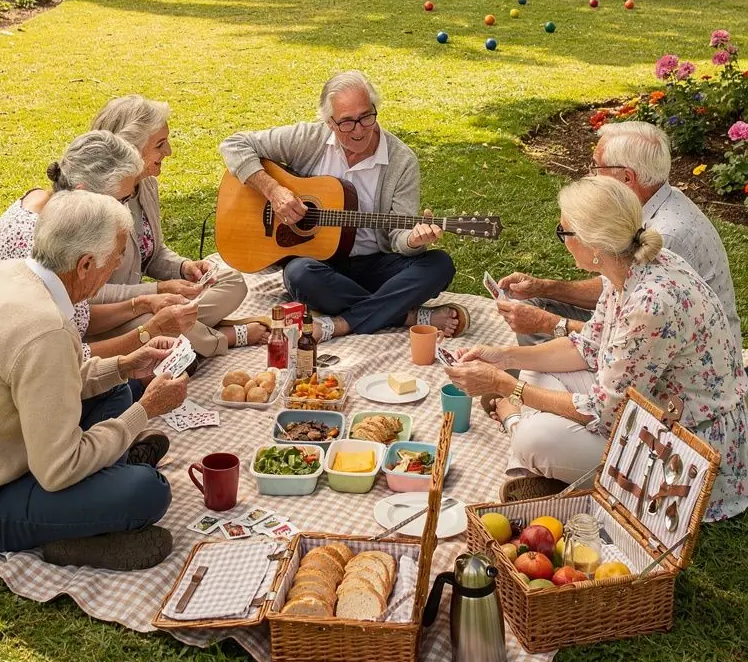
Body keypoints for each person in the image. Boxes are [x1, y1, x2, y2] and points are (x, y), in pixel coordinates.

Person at [449, 176, 748, 515]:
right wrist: (502, 358)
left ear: (593, 245)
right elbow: (586, 347)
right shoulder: (626, 269)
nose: (562, 241)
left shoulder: (651, 303)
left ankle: (517, 428)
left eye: (564, 232)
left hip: (686, 449)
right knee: (535, 367)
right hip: (648, 406)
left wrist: (505, 386)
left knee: (534, 438)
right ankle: (550, 467)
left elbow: (601, 412)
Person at [0, 192, 187, 569]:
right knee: (148, 491)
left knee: (116, 388)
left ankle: (100, 484)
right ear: (85, 264)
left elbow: (45, 379)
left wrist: (123, 365)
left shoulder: (6, 273)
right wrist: (145, 411)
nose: (120, 263)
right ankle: (74, 531)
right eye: (117, 255)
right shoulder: (46, 328)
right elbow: (58, 469)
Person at [219, 70, 467, 338]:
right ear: (329, 122)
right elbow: (233, 144)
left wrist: (415, 240)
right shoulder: (309, 139)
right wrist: (273, 190)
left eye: (366, 117)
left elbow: (398, 236)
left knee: (439, 264)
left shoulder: (402, 161)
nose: (359, 130)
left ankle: (342, 323)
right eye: (347, 122)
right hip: (322, 267)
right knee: (299, 273)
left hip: (377, 264)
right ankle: (405, 315)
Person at [496, 121, 743, 356]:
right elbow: (613, 294)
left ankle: (529, 387)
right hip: (649, 336)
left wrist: (551, 323)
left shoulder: (666, 235)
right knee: (536, 304)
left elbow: (630, 337)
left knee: (539, 321)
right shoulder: (661, 199)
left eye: (595, 167)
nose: (589, 176)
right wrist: (542, 288)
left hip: (676, 363)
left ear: (627, 178)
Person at [0, 130, 197, 360]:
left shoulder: (50, 208)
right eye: (121, 201)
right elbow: (69, 360)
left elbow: (79, 318)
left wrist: (142, 303)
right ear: (83, 194)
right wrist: (149, 332)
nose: (125, 210)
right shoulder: (43, 242)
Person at [91, 95, 258, 353]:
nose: (168, 151)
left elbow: (152, 253)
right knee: (152, 323)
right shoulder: (93, 204)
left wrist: (183, 268)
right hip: (110, 318)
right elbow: (89, 296)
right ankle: (226, 337)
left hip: (149, 304)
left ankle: (188, 334)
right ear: (131, 147)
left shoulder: (146, 184)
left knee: (231, 281)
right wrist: (156, 291)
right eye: (160, 144)